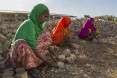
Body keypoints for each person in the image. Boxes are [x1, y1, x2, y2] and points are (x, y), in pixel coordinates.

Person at [5, 4, 57, 77]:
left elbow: (45, 42)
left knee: (46, 34)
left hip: (30, 48)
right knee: (21, 44)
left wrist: (54, 54)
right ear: (37, 14)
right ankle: (29, 66)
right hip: (18, 54)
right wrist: (48, 61)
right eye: (44, 16)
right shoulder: (29, 23)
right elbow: (33, 46)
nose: (46, 19)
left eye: (47, 17)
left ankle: (36, 60)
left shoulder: (39, 25)